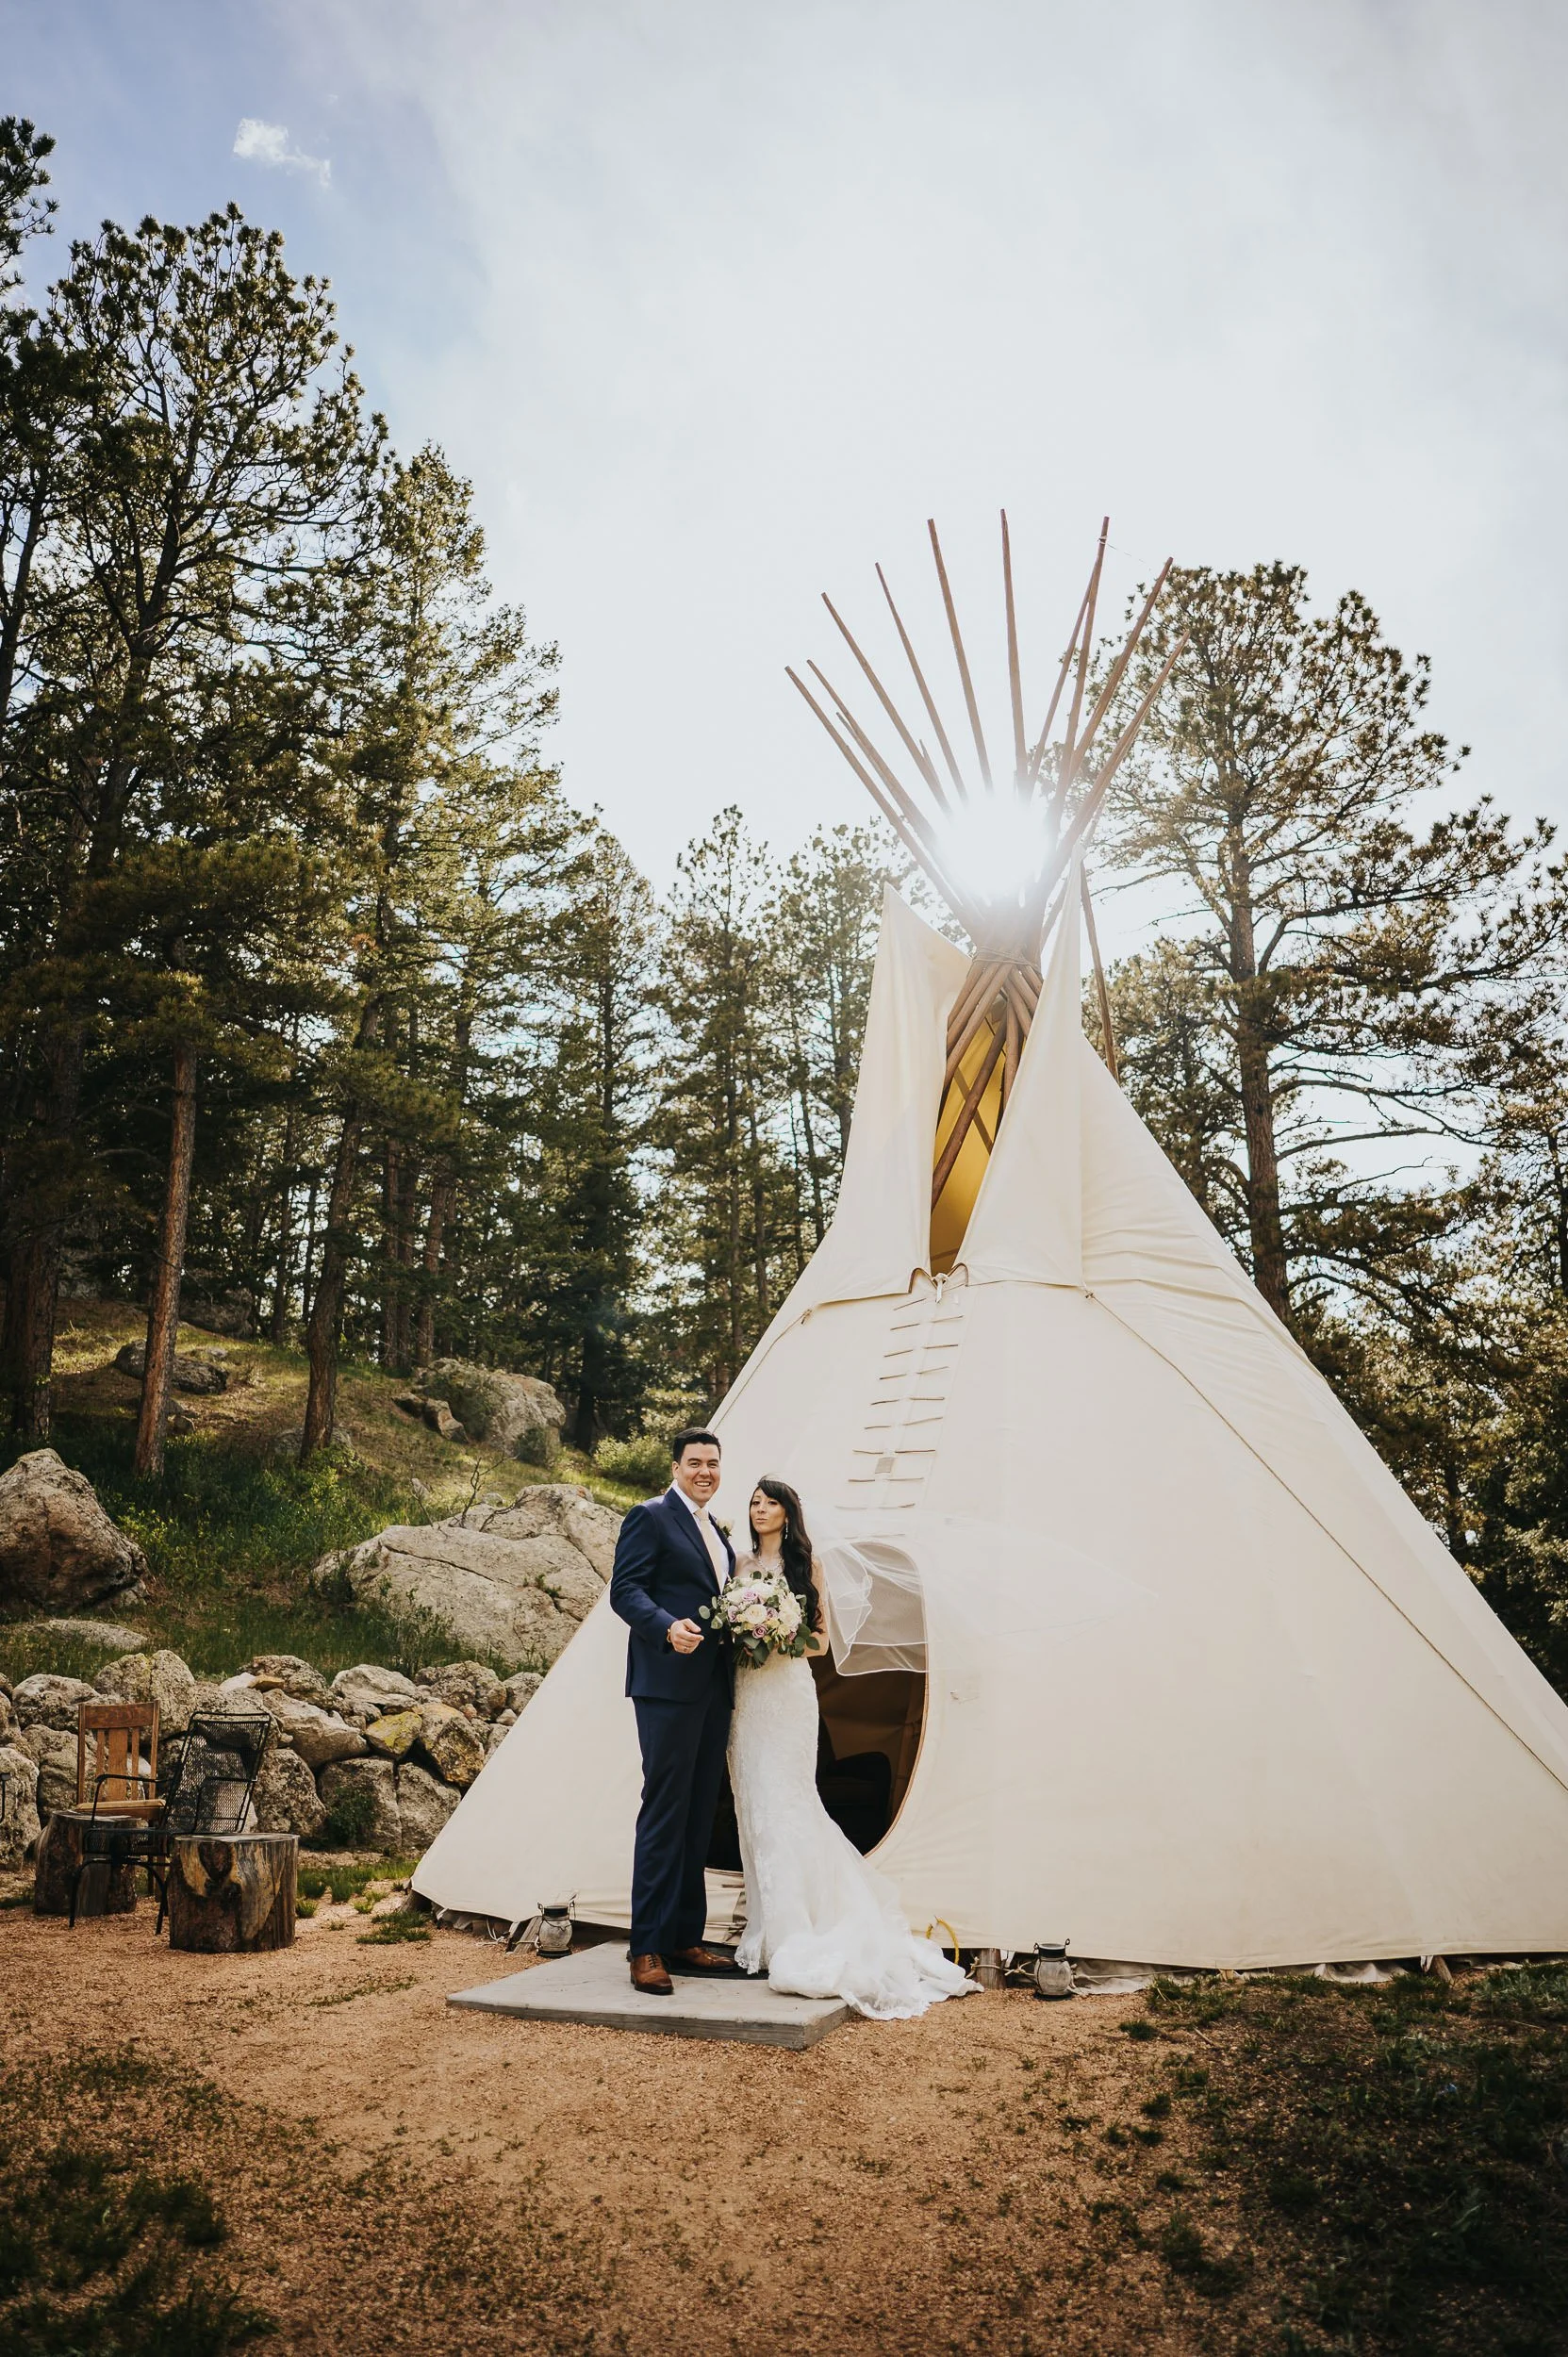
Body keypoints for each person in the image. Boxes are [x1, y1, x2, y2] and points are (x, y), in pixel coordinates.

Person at [728, 1475, 974, 2019]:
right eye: (754, 1502)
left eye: (770, 1503)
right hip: (748, 1696)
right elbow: (727, 1629)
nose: (760, 1509)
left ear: (788, 1514)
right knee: (754, 1804)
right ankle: (766, 1926)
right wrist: (744, 1626)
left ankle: (799, 1929)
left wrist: (775, 1631)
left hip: (788, 1692)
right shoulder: (739, 1567)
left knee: (787, 1802)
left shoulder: (807, 1568)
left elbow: (821, 1642)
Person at [608, 1427, 742, 1995]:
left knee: (696, 1814)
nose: (705, 1471)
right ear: (675, 1467)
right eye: (695, 1463)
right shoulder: (650, 1516)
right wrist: (666, 1626)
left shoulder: (718, 1530)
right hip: (666, 1687)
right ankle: (647, 1947)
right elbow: (626, 1589)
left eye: (713, 1463)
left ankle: (686, 1937)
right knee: (664, 1810)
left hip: (713, 1689)